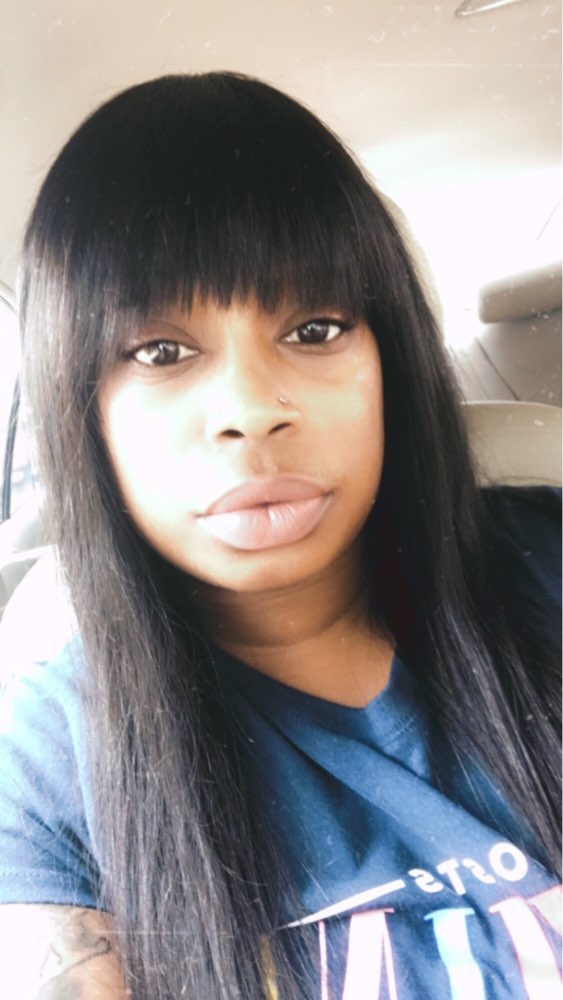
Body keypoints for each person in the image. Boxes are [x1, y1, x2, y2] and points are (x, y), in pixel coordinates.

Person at [0, 72, 560, 1000]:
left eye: (315, 328)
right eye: (160, 351)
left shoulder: (545, 566)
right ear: (78, 406)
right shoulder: (51, 755)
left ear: (389, 357)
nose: (252, 409)